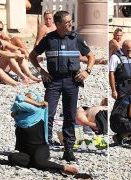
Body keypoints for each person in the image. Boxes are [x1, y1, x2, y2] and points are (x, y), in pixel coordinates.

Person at [29, 10, 95, 162]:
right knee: (48, 114)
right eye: (67, 22)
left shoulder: (76, 38)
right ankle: (44, 147)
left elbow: (91, 56)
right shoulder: (49, 39)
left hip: (72, 81)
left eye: (70, 21)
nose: (70, 24)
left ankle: (68, 149)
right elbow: (32, 56)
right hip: (54, 81)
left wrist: (87, 71)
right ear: (58, 24)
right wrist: (42, 72)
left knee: (70, 116)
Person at [9, 91, 78, 175]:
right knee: (12, 157)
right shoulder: (19, 116)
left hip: (40, 148)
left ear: (37, 101)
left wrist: (37, 104)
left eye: (29, 98)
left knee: (39, 162)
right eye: (26, 98)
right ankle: (38, 164)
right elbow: (19, 100)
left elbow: (18, 99)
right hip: (26, 152)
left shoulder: (37, 110)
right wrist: (35, 103)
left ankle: (64, 167)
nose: (26, 100)